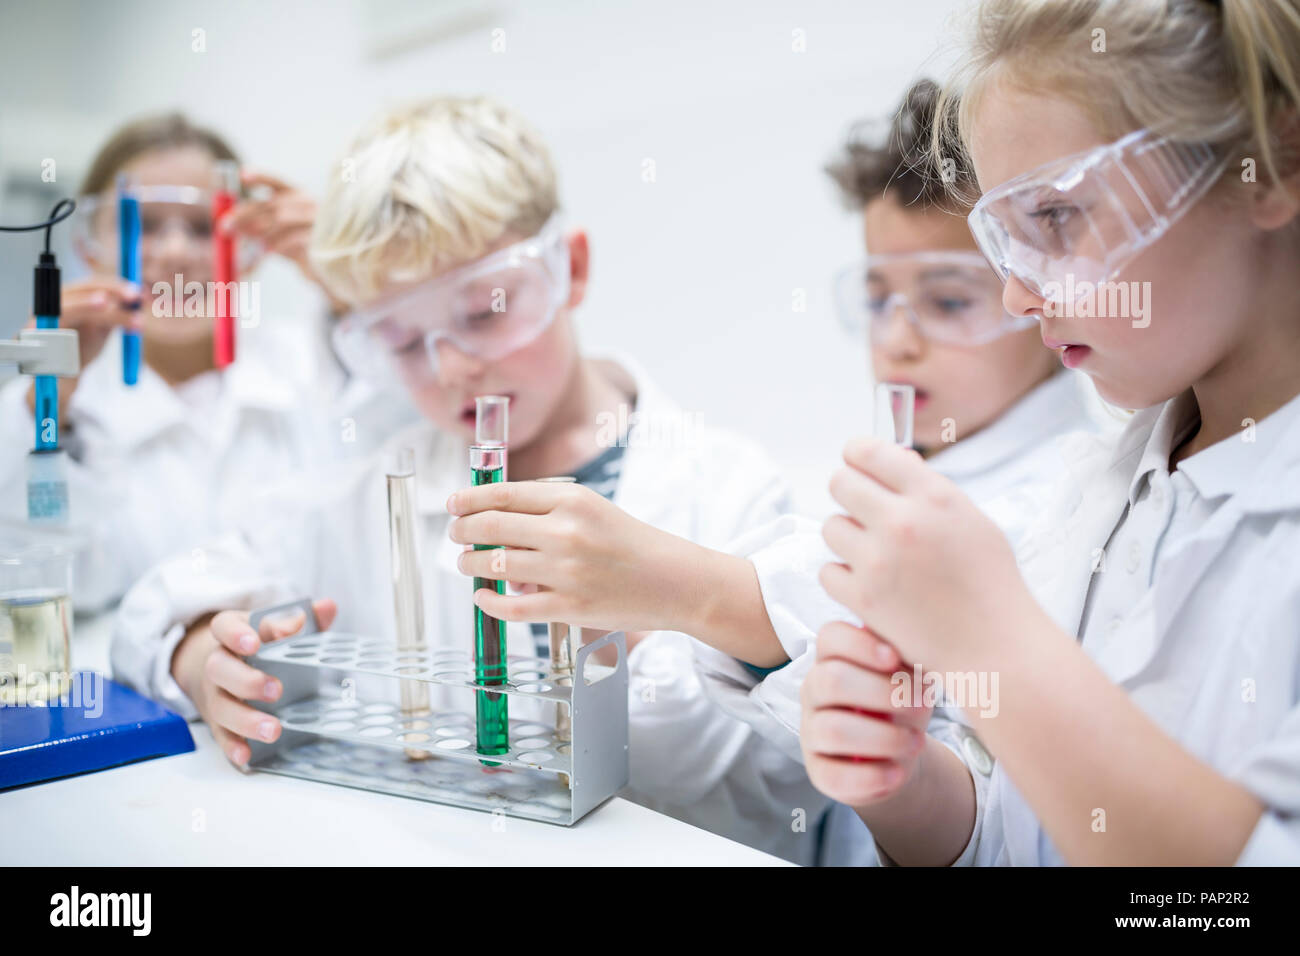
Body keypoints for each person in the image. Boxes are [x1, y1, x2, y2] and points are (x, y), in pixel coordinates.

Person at [111, 96, 819, 864]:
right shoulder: (378, 487)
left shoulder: (723, 486)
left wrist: (661, 612)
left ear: (569, 269)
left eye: (486, 310)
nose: (452, 368)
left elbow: (778, 784)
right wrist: (196, 653)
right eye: (403, 340)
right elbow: (155, 602)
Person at [445, 79, 1112, 864]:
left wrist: (678, 588)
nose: (895, 341)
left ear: (1029, 290)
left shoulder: (1061, 506)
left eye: (949, 299)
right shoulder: (910, 468)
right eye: (875, 296)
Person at [799, 0, 1300, 865]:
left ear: (1272, 164)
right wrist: (906, 784)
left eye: (1057, 219)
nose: (1018, 297)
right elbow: (1017, 829)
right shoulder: (1101, 488)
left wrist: (990, 638)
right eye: (1006, 242)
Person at [0, 113, 409, 611]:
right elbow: (40, 585)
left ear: (253, 247)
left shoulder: (322, 363)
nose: (174, 254)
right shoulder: (46, 409)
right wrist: (48, 411)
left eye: (202, 227)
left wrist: (352, 286)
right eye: (142, 225)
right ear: (88, 244)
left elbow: (412, 457)